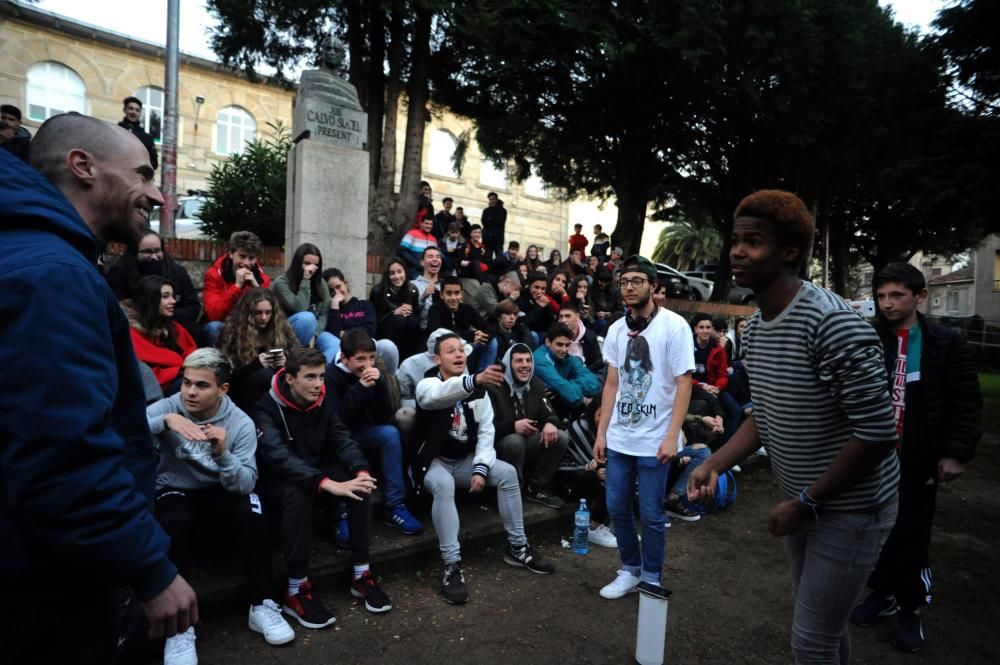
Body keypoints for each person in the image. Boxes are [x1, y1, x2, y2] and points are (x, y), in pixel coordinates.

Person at [0, 114, 195, 663]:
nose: (157, 194)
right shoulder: (52, 275)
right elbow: (61, 453)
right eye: (141, 174)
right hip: (42, 580)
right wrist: (151, 567)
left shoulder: (42, 258)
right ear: (82, 166)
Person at [687, 190, 900, 664]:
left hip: (852, 508)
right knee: (824, 628)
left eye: (754, 241)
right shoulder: (756, 330)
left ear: (788, 251)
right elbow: (764, 413)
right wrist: (715, 463)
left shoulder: (831, 323)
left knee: (810, 640)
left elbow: (877, 433)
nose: (738, 251)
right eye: (736, 240)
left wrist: (807, 501)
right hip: (806, 500)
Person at [850, 262, 982, 652]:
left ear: (920, 296)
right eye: (881, 296)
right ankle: (882, 593)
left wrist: (955, 453)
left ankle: (911, 605)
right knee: (874, 529)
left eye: (897, 295)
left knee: (912, 531)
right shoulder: (868, 336)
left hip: (919, 457)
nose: (887, 304)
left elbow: (966, 401)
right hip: (872, 457)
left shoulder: (945, 342)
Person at [147, 349, 294, 662]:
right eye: (186, 383)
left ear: (222, 389)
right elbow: (128, 426)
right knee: (173, 520)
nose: (190, 392)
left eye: (201, 385)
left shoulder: (239, 422)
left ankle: (262, 603)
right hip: (176, 489)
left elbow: (245, 484)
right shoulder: (171, 405)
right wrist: (165, 420)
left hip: (220, 490)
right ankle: (180, 626)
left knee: (253, 509)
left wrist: (222, 453)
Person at [254, 347, 394, 626]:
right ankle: (296, 588)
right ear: (290, 378)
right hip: (278, 480)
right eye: (310, 377)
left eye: (321, 376)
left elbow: (341, 437)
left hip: (316, 469)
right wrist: (325, 483)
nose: (318, 384)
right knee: (299, 492)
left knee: (359, 485)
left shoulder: (323, 397)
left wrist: (360, 469)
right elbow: (278, 457)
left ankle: (361, 573)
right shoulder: (265, 408)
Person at [414, 334, 555, 604]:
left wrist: (480, 468)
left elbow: (487, 432)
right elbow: (436, 397)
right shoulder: (428, 383)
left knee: (506, 473)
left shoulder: (480, 391)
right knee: (442, 485)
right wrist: (474, 380)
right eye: (450, 351)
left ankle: (517, 546)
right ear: (437, 359)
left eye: (461, 350)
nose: (458, 355)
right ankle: (451, 566)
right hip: (434, 462)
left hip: (464, 461)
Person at [593, 254, 694, 600]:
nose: (630, 287)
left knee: (651, 513)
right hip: (621, 437)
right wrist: (601, 433)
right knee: (617, 506)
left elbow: (684, 384)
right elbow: (611, 384)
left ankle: (651, 575)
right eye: (624, 281)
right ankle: (630, 569)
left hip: (656, 439)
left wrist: (672, 436)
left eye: (637, 281)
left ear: (654, 286)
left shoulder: (675, 326)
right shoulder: (615, 330)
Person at [327, 329, 424, 535]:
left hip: (364, 433)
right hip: (336, 440)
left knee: (389, 433)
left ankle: (395, 505)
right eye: (360, 359)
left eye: (371, 358)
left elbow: (383, 416)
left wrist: (380, 385)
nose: (367, 364)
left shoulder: (375, 373)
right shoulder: (331, 376)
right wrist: (359, 388)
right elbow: (336, 421)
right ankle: (341, 512)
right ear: (344, 358)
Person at [486, 343, 569, 509]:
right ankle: (509, 492)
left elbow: (551, 415)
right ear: (508, 364)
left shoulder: (536, 384)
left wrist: (550, 424)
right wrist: (513, 426)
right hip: (496, 449)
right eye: (518, 361)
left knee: (560, 437)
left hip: (527, 444)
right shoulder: (492, 386)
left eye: (528, 360)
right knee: (513, 441)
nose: (525, 365)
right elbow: (484, 429)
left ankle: (535, 488)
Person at [105, 230, 203, 341]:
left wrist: (165, 318)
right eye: (147, 252)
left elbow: (192, 307)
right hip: (137, 326)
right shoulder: (119, 274)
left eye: (157, 251)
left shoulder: (177, 272)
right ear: (135, 252)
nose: (154, 256)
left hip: (174, 322)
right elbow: (118, 308)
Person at [217, 288, 299, 412]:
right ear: (248, 313)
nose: (264, 317)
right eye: (258, 313)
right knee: (264, 375)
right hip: (242, 392)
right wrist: (256, 365)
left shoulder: (282, 330)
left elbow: (298, 364)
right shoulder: (233, 333)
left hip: (277, 389)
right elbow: (225, 375)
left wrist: (285, 363)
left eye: (268, 312)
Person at [128, 275, 198, 394]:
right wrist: (179, 368)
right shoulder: (131, 331)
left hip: (183, 376)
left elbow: (192, 353)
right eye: (165, 296)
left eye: (172, 296)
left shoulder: (173, 327)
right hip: (154, 388)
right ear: (150, 299)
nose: (173, 301)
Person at [272, 242, 339, 363]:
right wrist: (306, 279)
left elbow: (324, 313)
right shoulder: (281, 283)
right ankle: (301, 361)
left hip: (313, 332)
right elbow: (300, 308)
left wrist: (315, 333)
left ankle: (322, 375)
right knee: (307, 318)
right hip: (285, 332)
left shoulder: (321, 283)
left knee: (334, 343)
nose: (311, 269)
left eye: (315, 265)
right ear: (298, 263)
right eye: (307, 263)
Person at [324, 268, 399, 372]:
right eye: (331, 291)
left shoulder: (364, 305)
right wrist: (335, 306)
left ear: (345, 283)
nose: (336, 292)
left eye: (338, 286)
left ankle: (390, 381)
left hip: (368, 345)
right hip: (344, 350)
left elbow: (370, 330)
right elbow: (333, 335)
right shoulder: (332, 311)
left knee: (387, 345)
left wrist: (345, 333)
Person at [203, 230, 272, 340]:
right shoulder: (213, 275)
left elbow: (270, 315)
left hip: (251, 327)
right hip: (225, 326)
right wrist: (236, 287)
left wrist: (257, 289)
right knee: (214, 327)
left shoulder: (263, 279)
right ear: (231, 253)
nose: (246, 263)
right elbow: (213, 315)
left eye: (251, 258)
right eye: (242, 256)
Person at [689, 312, 742, 443]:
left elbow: (722, 374)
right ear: (695, 329)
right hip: (693, 387)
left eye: (708, 327)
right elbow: (683, 375)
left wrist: (718, 387)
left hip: (714, 388)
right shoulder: (687, 346)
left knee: (736, 410)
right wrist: (702, 385)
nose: (705, 331)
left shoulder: (717, 349)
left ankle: (724, 448)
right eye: (701, 327)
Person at [533, 322, 602, 417]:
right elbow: (572, 396)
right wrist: (579, 396)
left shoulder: (567, 357)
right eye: (559, 344)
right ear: (548, 342)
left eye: (567, 345)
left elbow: (595, 383)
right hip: (542, 412)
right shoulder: (540, 359)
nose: (564, 349)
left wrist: (561, 389)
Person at [427, 275, 493, 371]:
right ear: (441, 295)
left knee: (491, 342)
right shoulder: (435, 309)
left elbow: (489, 328)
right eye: (449, 293)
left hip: (464, 348)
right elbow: (437, 333)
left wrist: (483, 335)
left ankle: (483, 375)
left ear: (461, 294)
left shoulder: (467, 309)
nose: (453, 297)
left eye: (457, 293)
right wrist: (472, 334)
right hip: (443, 352)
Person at [370, 257, 422, 359]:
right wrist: (393, 312)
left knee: (412, 321)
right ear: (387, 275)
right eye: (392, 273)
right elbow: (376, 317)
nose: (397, 276)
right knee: (399, 320)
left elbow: (416, 314)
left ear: (405, 272)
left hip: (407, 329)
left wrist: (408, 312)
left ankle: (409, 358)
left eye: (399, 272)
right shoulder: (377, 291)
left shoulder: (412, 290)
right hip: (386, 329)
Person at [559, 303, 603, 374]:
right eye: (561, 317)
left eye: (568, 316)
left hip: (588, 373)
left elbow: (598, 360)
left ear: (577, 317)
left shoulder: (590, 335)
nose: (563, 320)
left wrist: (585, 372)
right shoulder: (555, 335)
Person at [118, 95, 158, 170]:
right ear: (124, 110)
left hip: (136, 177)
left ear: (140, 113)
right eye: (131, 108)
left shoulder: (147, 138)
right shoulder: (115, 131)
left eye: (137, 110)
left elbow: (154, 163)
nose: (134, 112)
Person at [412, 246, 444, 330]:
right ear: (422, 262)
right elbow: (410, 315)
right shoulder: (412, 285)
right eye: (430, 256)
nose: (435, 259)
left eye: (438, 257)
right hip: (422, 331)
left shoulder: (447, 286)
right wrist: (422, 298)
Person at [399, 211, 439, 279]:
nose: (428, 226)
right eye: (426, 223)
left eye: (430, 224)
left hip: (429, 272)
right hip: (414, 271)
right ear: (421, 223)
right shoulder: (412, 234)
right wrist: (416, 263)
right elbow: (401, 251)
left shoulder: (434, 239)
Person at [517, 272, 557, 337]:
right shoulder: (521, 298)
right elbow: (524, 324)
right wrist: (539, 307)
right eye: (536, 287)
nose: (539, 291)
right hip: (525, 335)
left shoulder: (544, 300)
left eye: (543, 289)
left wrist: (547, 306)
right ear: (529, 286)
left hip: (543, 335)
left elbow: (551, 324)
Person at [481, 191, 508, 263]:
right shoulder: (486, 211)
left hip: (498, 240)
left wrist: (490, 219)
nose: (492, 201)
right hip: (487, 240)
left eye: (493, 199)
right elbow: (484, 222)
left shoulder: (503, 211)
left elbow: (500, 221)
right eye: (490, 199)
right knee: (487, 259)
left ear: (496, 199)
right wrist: (492, 220)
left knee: (500, 259)